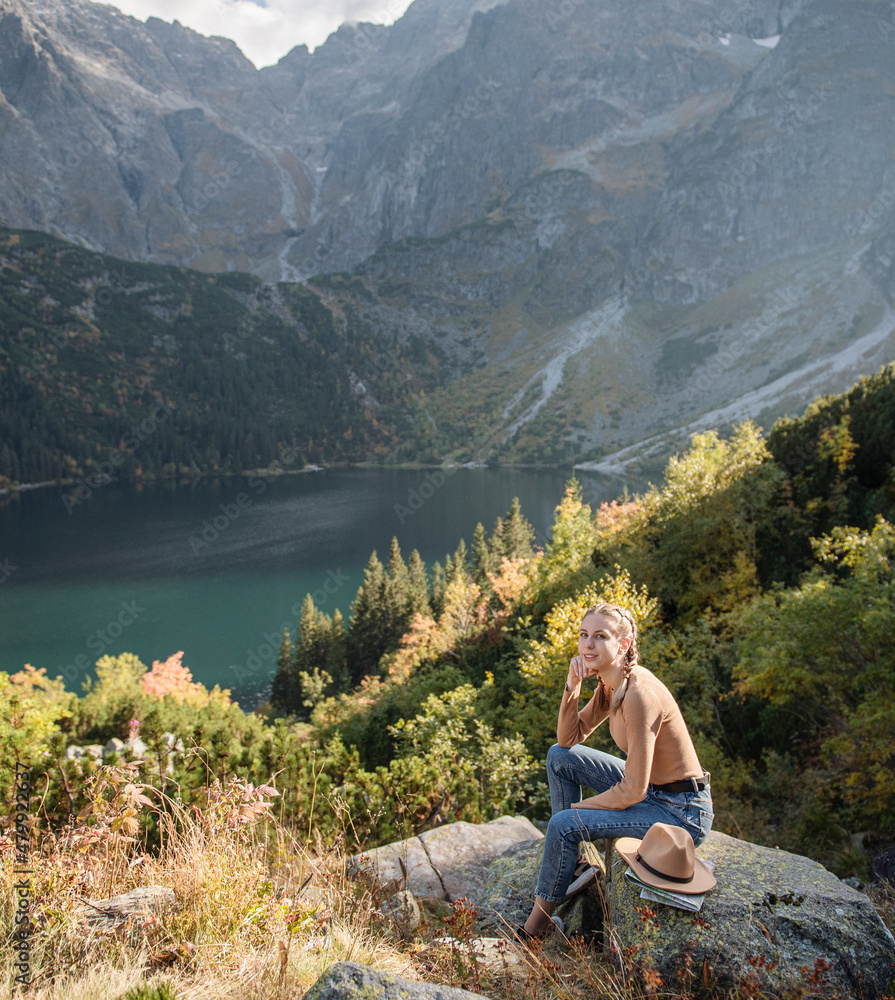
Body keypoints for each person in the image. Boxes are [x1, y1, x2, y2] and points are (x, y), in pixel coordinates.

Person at [517, 602, 713, 940]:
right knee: (558, 757)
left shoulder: (639, 695)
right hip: (652, 789)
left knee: (564, 824)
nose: (588, 645)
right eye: (583, 635)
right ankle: (572, 862)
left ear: (621, 645)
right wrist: (572, 684)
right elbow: (568, 740)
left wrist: (577, 813)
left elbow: (632, 789)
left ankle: (536, 929)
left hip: (681, 812)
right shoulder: (611, 683)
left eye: (599, 636)